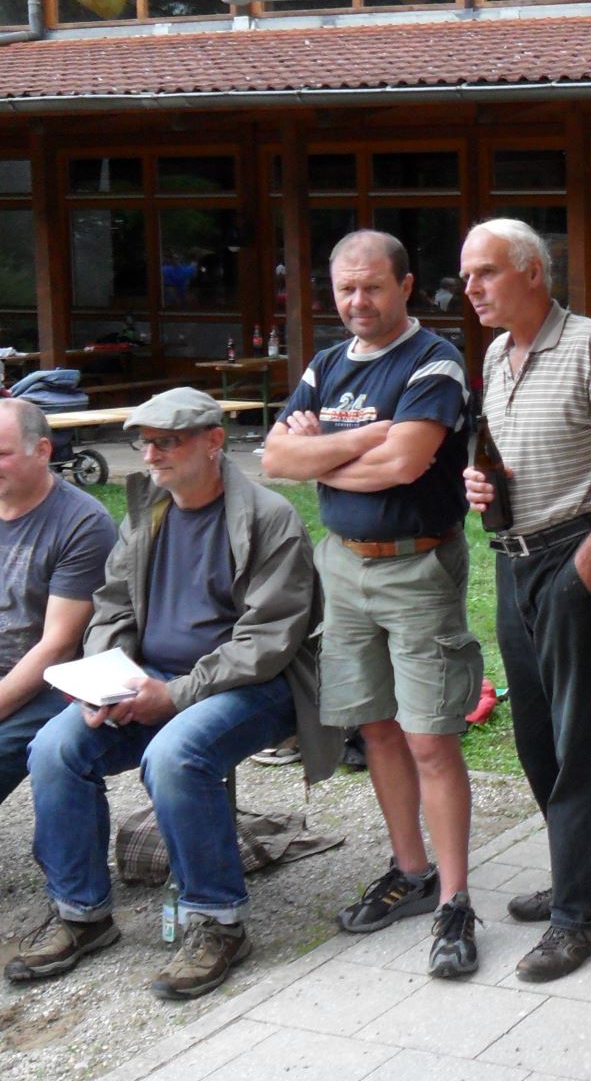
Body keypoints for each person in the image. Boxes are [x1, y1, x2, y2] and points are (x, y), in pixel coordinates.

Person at [5, 388, 338, 999]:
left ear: (214, 442)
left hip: (253, 686)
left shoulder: (269, 518)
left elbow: (267, 641)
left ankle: (217, 921)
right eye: (146, 441)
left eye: (168, 440)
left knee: (175, 754)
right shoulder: (149, 514)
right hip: (150, 677)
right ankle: (81, 913)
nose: (151, 454)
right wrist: (110, 673)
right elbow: (109, 606)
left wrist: (176, 694)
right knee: (55, 748)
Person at [262, 229, 482, 977]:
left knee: (430, 738)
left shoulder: (434, 361)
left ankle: (456, 900)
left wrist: (326, 448)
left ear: (406, 284)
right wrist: (364, 446)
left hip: (416, 568)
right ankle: (411, 872)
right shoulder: (326, 364)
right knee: (378, 731)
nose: (357, 301)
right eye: (345, 289)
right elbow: (274, 458)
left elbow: (407, 464)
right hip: (344, 569)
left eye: (373, 287)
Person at [460, 218, 591, 982]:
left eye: (485, 273)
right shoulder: (497, 353)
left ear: (532, 274)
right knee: (538, 735)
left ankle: (582, 918)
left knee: (578, 736)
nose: (471, 288)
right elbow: (507, 456)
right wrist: (480, 486)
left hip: (575, 556)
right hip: (515, 558)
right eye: (469, 275)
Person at [0, 398, 116, 804]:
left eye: (2, 454)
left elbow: (57, 646)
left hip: (46, 684)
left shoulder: (82, 524)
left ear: (43, 451)